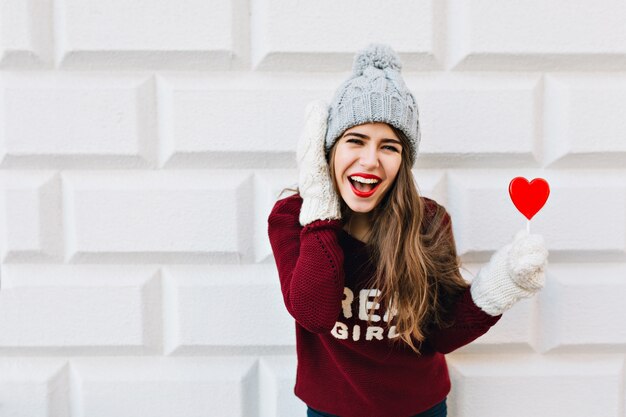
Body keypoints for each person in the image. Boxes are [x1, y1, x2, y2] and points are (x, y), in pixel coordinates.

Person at [267, 43, 548, 417]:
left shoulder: (429, 221)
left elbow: (441, 334)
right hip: (331, 410)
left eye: (390, 147)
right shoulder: (292, 218)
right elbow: (313, 313)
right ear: (327, 149)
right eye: (355, 140)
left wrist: (502, 284)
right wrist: (319, 204)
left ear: (404, 160)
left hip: (421, 408)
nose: (370, 160)